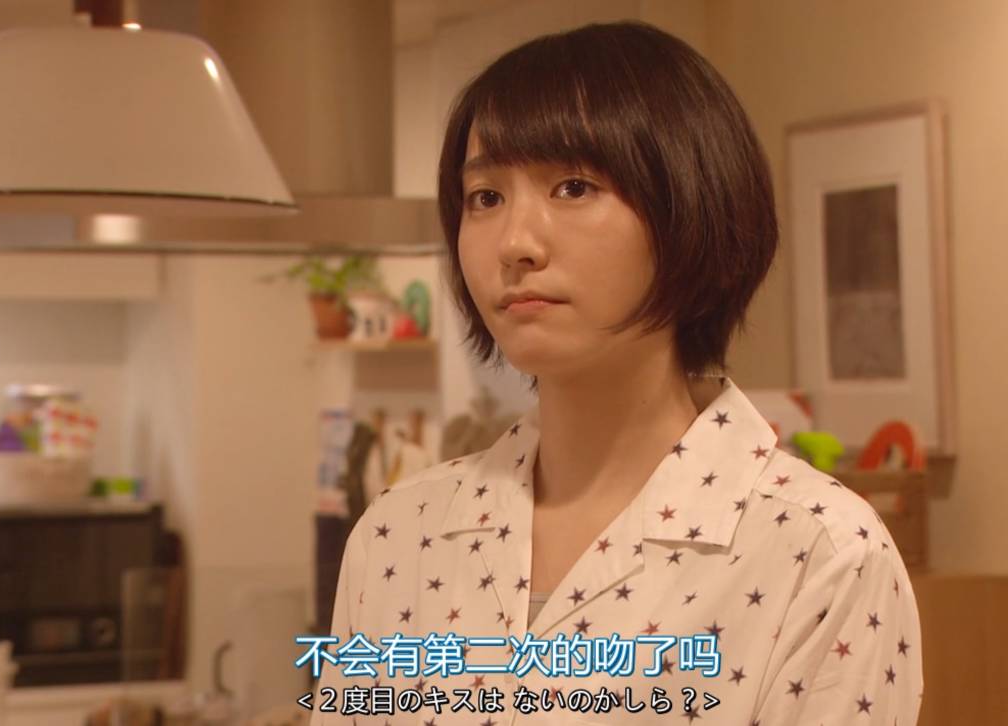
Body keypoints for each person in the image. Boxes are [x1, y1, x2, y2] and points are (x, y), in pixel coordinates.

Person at [309, 21, 922, 725]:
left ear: (692, 211)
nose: (514, 243)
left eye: (573, 187)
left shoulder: (819, 552)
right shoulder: (399, 532)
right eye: (485, 197)